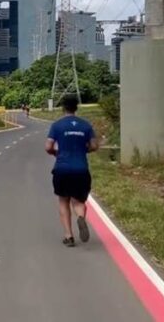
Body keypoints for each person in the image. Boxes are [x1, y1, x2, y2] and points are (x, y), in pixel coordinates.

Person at [45, 94, 99, 247]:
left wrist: (56, 153)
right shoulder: (86, 126)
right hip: (81, 169)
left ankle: (69, 236)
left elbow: (48, 147)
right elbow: (94, 146)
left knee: (63, 200)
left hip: (62, 169)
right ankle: (80, 217)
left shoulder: (57, 126)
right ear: (77, 107)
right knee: (78, 201)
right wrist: (83, 150)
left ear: (63, 107)